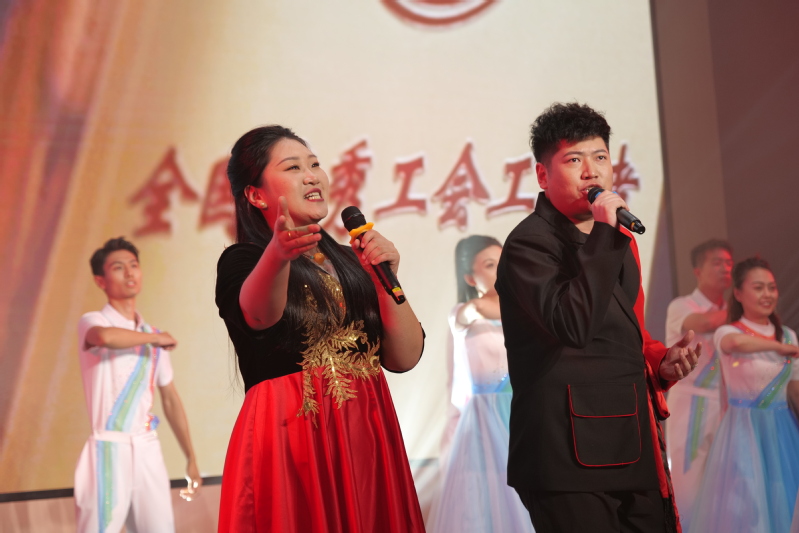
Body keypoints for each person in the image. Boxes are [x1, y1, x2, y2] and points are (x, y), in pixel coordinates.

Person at [495, 102, 701, 532]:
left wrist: (661, 362)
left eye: (600, 157)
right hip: (566, 456)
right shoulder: (529, 244)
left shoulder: (618, 240)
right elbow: (574, 325)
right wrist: (606, 234)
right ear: (542, 175)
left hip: (629, 442)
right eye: (574, 160)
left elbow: (625, 332)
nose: (592, 172)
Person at [214, 125, 426, 532]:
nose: (312, 177)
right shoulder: (244, 260)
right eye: (293, 168)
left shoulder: (353, 260)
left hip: (366, 435)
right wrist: (277, 255)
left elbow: (404, 357)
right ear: (256, 195)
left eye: (314, 165)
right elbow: (259, 316)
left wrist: (385, 279)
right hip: (292, 439)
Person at [75, 237, 201, 533]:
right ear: (101, 280)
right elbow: (105, 338)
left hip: (147, 447)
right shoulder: (92, 321)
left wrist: (191, 457)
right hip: (108, 447)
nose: (130, 273)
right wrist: (155, 339)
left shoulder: (151, 334)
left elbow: (169, 398)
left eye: (134, 265)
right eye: (118, 267)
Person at [431, 235, 534, 533]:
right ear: (469, 277)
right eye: (490, 265)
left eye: (505, 263)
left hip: (523, 414)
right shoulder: (464, 314)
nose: (501, 271)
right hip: (484, 424)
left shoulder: (525, 311)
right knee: (486, 506)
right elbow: (476, 309)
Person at [689, 257, 799, 533]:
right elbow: (736, 343)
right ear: (738, 293)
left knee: (785, 501)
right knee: (750, 508)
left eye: (772, 288)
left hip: (784, 431)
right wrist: (779, 348)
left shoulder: (788, 335)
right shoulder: (728, 331)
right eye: (758, 288)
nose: (767, 294)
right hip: (744, 432)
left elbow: (794, 388)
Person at [664, 239, 733, 530]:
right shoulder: (682, 305)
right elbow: (703, 324)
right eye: (717, 263)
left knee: (725, 486)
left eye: (728, 263)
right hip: (691, 403)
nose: (725, 269)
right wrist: (744, 308)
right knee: (689, 485)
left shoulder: (731, 309)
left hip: (727, 405)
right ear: (697, 270)